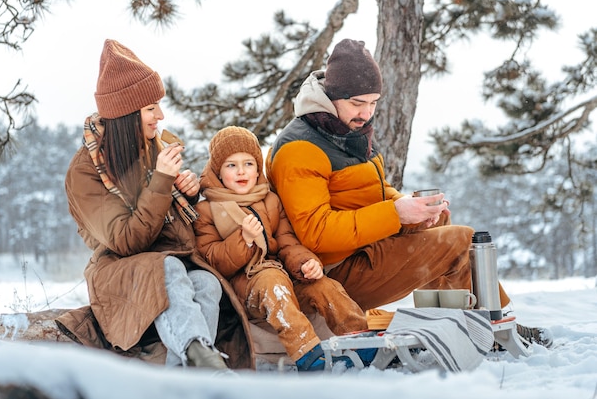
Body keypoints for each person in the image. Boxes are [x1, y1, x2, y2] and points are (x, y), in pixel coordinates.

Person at [265, 39, 552, 348]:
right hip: (330, 272)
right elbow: (314, 233)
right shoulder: (300, 149)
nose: (367, 112)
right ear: (331, 97)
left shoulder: (344, 128)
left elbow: (368, 189)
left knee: (441, 223)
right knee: (461, 241)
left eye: (373, 102)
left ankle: (464, 326)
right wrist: (396, 214)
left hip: (361, 250)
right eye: (358, 103)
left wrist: (405, 204)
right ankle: (492, 328)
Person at [59, 39, 246, 372]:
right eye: (150, 108)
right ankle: (209, 366)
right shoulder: (84, 170)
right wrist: (161, 182)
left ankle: (188, 373)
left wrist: (184, 194)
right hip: (118, 275)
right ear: (128, 114)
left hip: (164, 265)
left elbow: (170, 229)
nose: (160, 116)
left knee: (207, 283)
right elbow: (126, 241)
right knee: (168, 270)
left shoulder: (151, 148)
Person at [193, 126, 376, 371]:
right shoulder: (207, 210)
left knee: (323, 286)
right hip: (245, 286)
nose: (241, 171)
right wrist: (243, 239)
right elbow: (214, 261)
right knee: (272, 282)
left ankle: (362, 338)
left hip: (284, 275)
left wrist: (305, 263)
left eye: (248, 163)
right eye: (231, 165)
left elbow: (288, 242)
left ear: (258, 168)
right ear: (218, 170)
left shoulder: (270, 200)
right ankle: (307, 353)